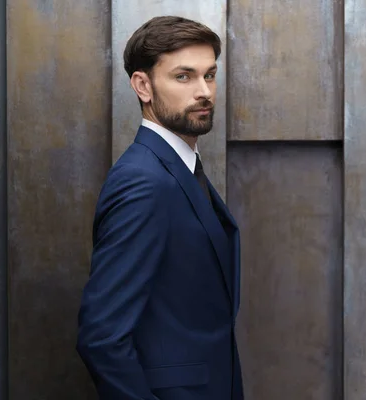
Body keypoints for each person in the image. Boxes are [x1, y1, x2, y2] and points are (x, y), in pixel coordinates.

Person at [76, 16, 243, 400]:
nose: (204, 92)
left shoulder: (179, 169)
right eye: (184, 77)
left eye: (210, 75)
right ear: (143, 86)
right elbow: (102, 337)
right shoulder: (144, 182)